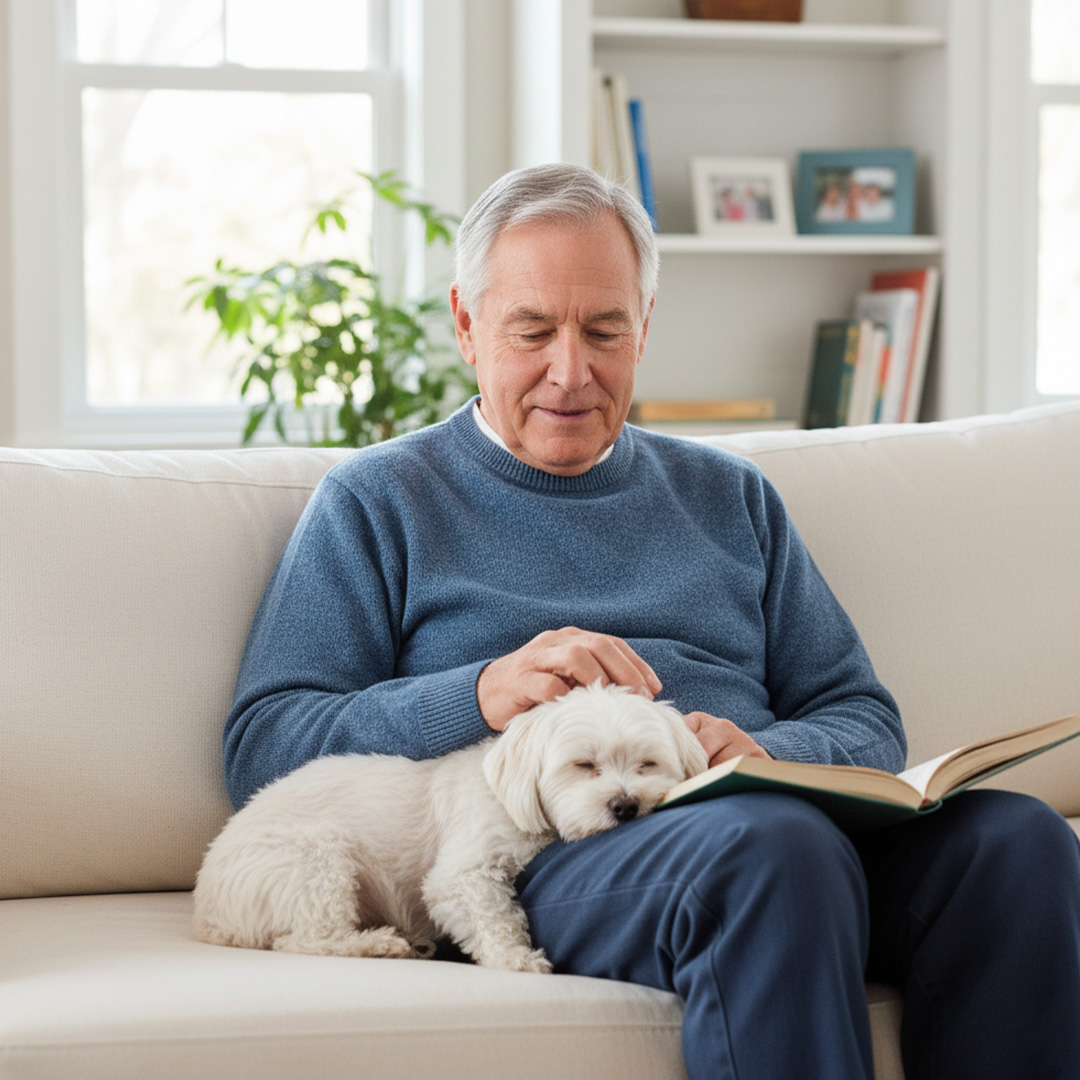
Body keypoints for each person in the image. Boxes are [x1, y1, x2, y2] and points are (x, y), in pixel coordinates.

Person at [223, 163, 1080, 1080]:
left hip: (767, 822)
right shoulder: (379, 500)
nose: (571, 370)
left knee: (1018, 841)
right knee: (774, 851)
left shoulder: (731, 497)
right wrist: (477, 693)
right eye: (532, 330)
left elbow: (865, 718)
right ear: (468, 327)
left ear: (645, 329)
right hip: (556, 850)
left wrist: (765, 751)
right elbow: (267, 743)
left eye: (604, 330)